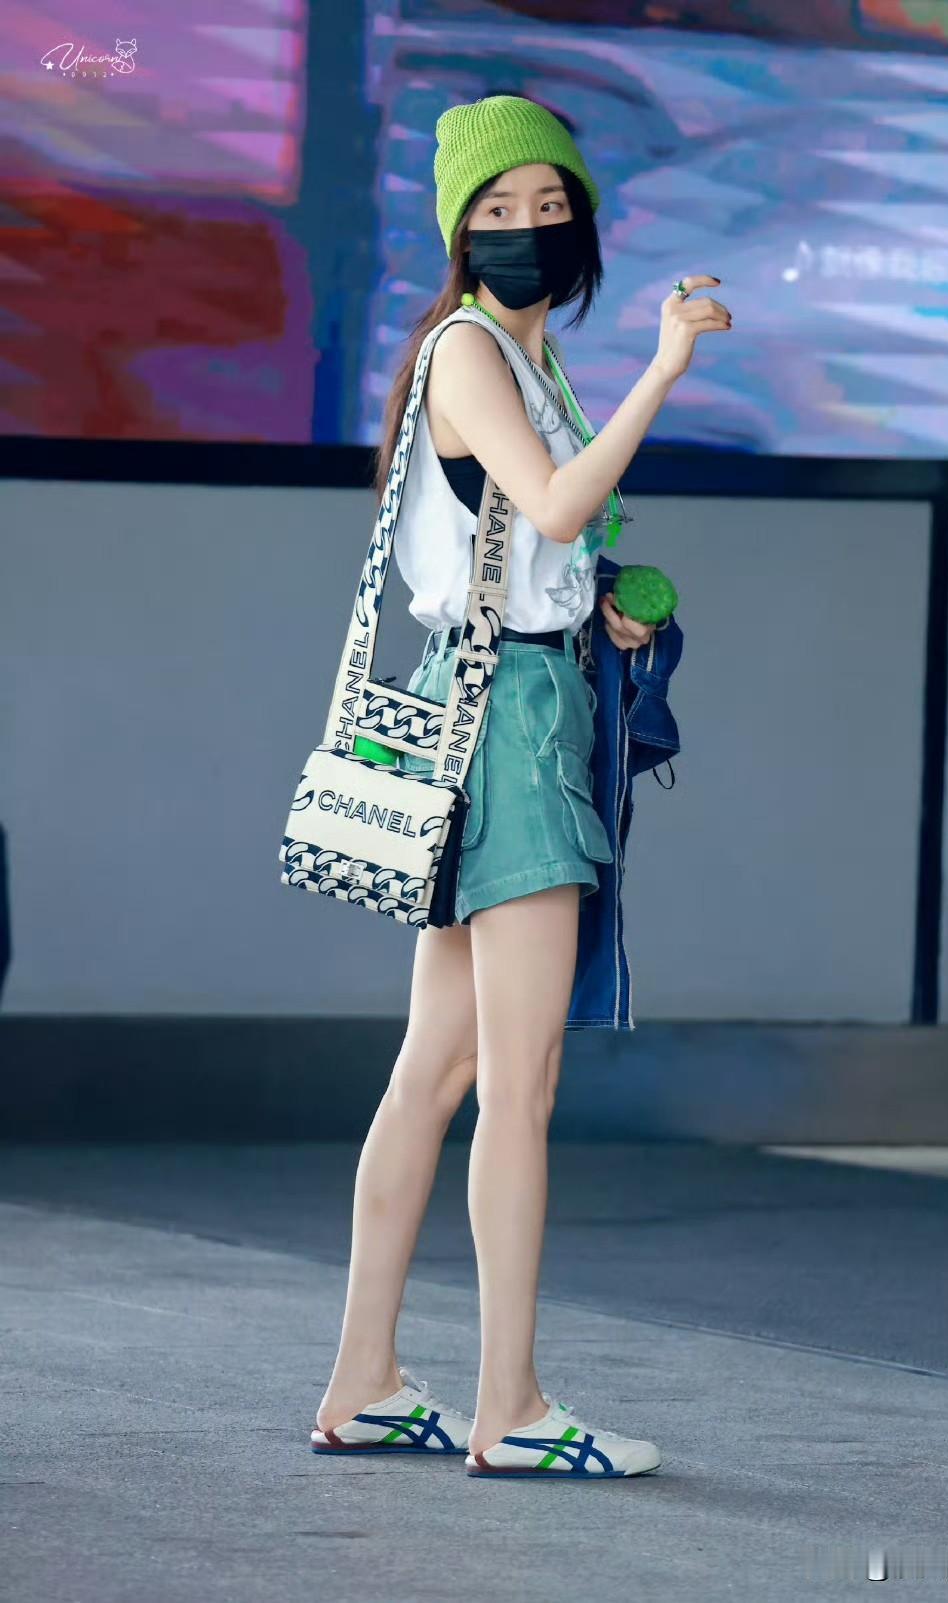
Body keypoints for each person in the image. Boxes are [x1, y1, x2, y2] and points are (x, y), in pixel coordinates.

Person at [310, 94, 732, 1478]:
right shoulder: (471, 349)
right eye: (496, 211)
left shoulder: (517, 357)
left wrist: (593, 599)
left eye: (548, 207)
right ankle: (511, 1408)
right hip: (513, 728)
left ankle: (366, 1384)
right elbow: (553, 504)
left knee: (436, 1071)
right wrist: (665, 368)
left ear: (582, 225)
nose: (525, 230)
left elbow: (536, 540)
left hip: (501, 699)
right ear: (457, 232)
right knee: (518, 1082)